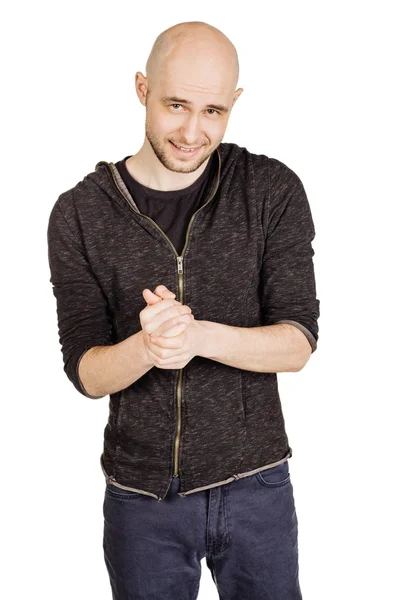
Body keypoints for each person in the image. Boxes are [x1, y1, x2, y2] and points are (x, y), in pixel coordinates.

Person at [47, 20, 319, 600]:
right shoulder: (79, 213)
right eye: (176, 105)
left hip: (258, 486)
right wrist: (146, 347)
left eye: (214, 111)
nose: (193, 131)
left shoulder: (271, 190)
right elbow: (87, 373)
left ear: (234, 104)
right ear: (142, 88)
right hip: (141, 500)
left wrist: (198, 337)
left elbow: (297, 342)